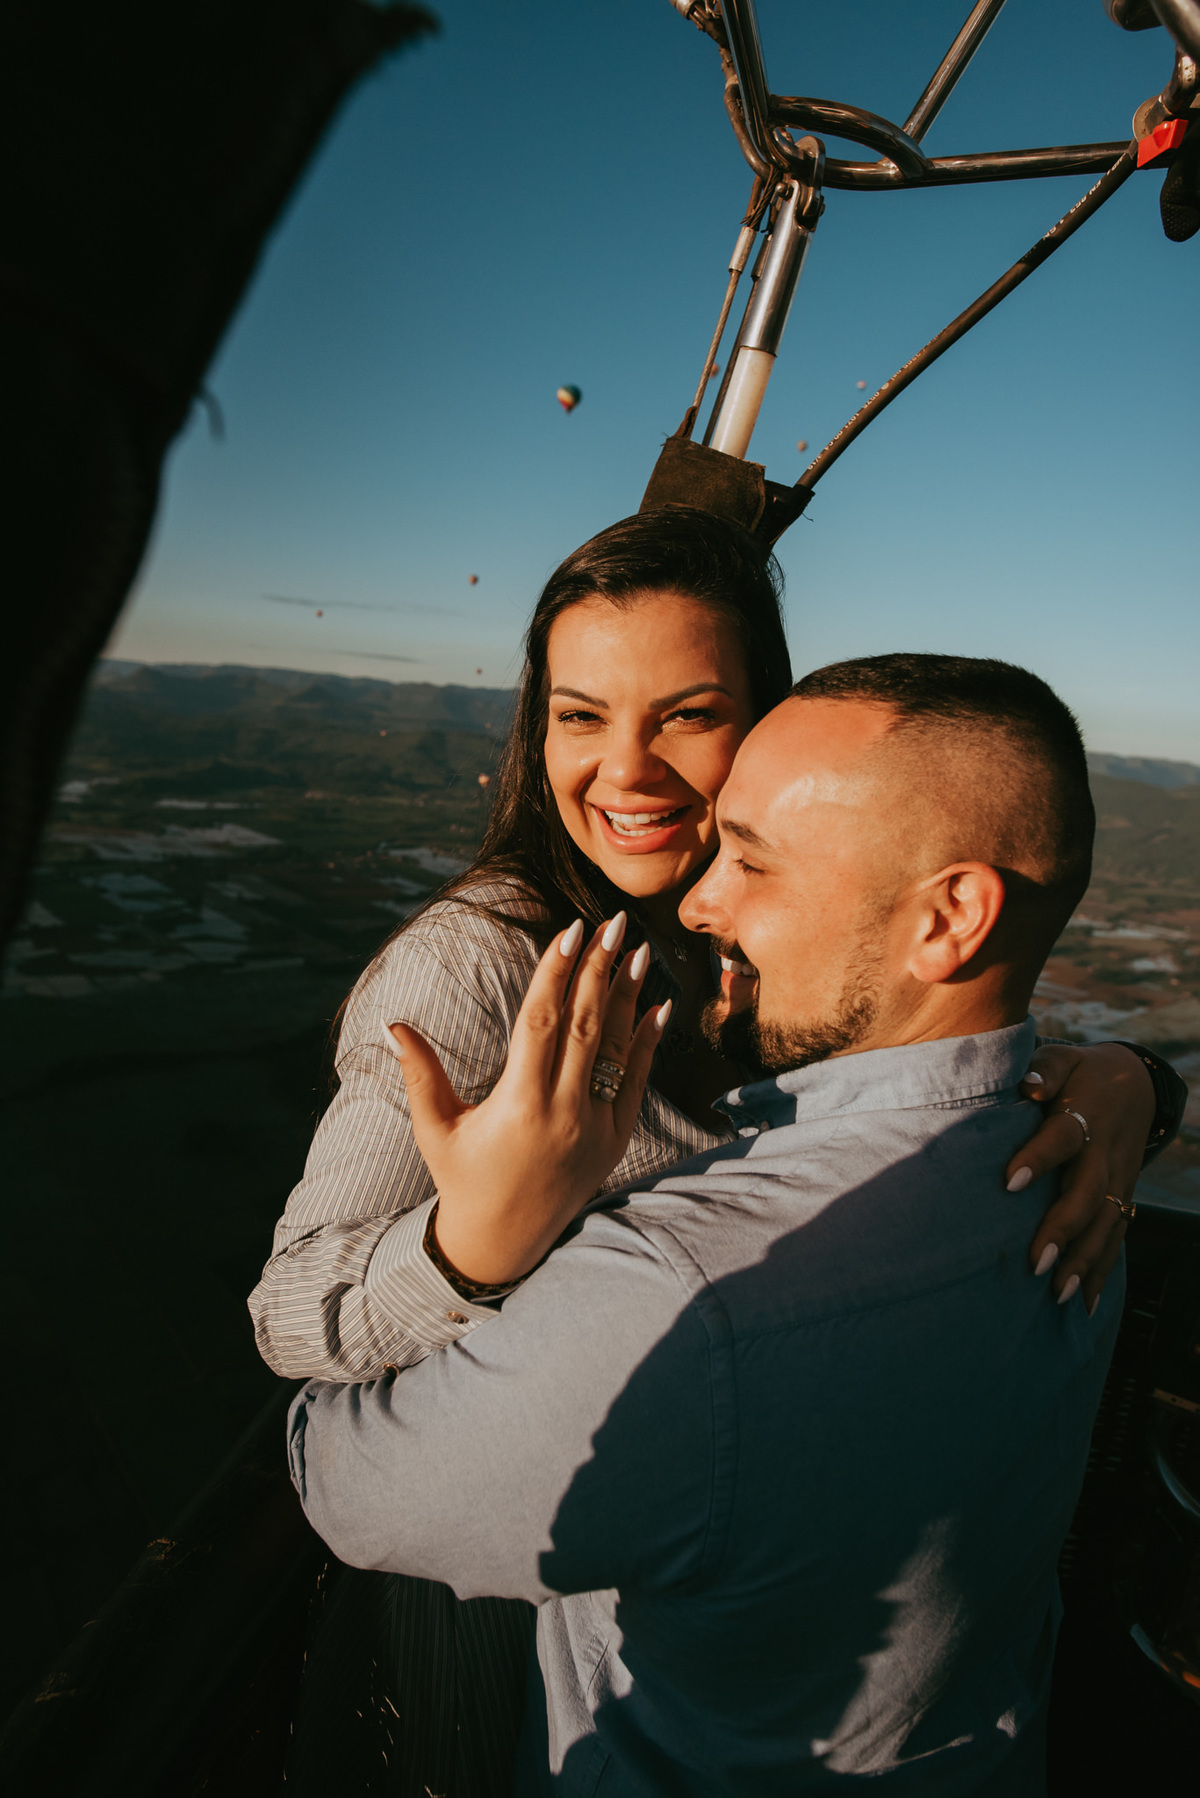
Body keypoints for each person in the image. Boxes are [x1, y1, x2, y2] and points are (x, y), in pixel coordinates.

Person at [250, 514, 1176, 1792]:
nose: (625, 769)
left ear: (765, 722)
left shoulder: (770, 952)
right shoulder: (477, 964)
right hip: (519, 1577)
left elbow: (910, 1053)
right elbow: (297, 1317)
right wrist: (475, 1247)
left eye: (685, 714)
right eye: (579, 716)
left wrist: (1131, 1081)